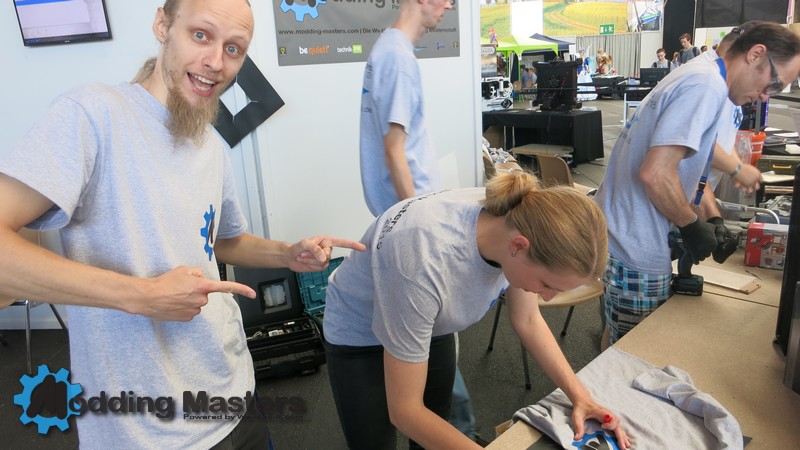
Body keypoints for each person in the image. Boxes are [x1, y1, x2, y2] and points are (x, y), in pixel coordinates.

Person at [0, 0, 365, 448]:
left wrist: (288, 254)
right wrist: (142, 295)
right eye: (201, 35)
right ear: (162, 24)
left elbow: (224, 241)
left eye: (233, 49)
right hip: (144, 424)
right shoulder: (93, 113)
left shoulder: (209, 142)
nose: (216, 62)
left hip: (232, 390)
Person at [324, 171, 632, 450]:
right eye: (547, 284)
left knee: (436, 425)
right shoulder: (423, 262)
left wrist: (581, 396)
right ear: (519, 247)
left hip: (429, 320)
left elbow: (527, 319)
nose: (548, 298)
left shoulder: (518, 225)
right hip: (360, 333)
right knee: (375, 440)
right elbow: (405, 411)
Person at [595, 22, 800, 347]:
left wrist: (712, 218)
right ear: (755, 54)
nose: (765, 96)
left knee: (618, 345)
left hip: (625, 236)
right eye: (773, 84)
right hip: (635, 246)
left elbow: (686, 168)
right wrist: (691, 225)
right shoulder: (705, 85)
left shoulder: (704, 76)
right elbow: (656, 174)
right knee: (632, 356)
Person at [359, 0, 484, 444]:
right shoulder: (396, 55)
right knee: (432, 337)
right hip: (416, 224)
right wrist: (420, 221)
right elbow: (394, 149)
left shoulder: (389, 50)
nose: (449, 5)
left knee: (430, 338)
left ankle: (457, 429)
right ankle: (461, 432)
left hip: (409, 218)